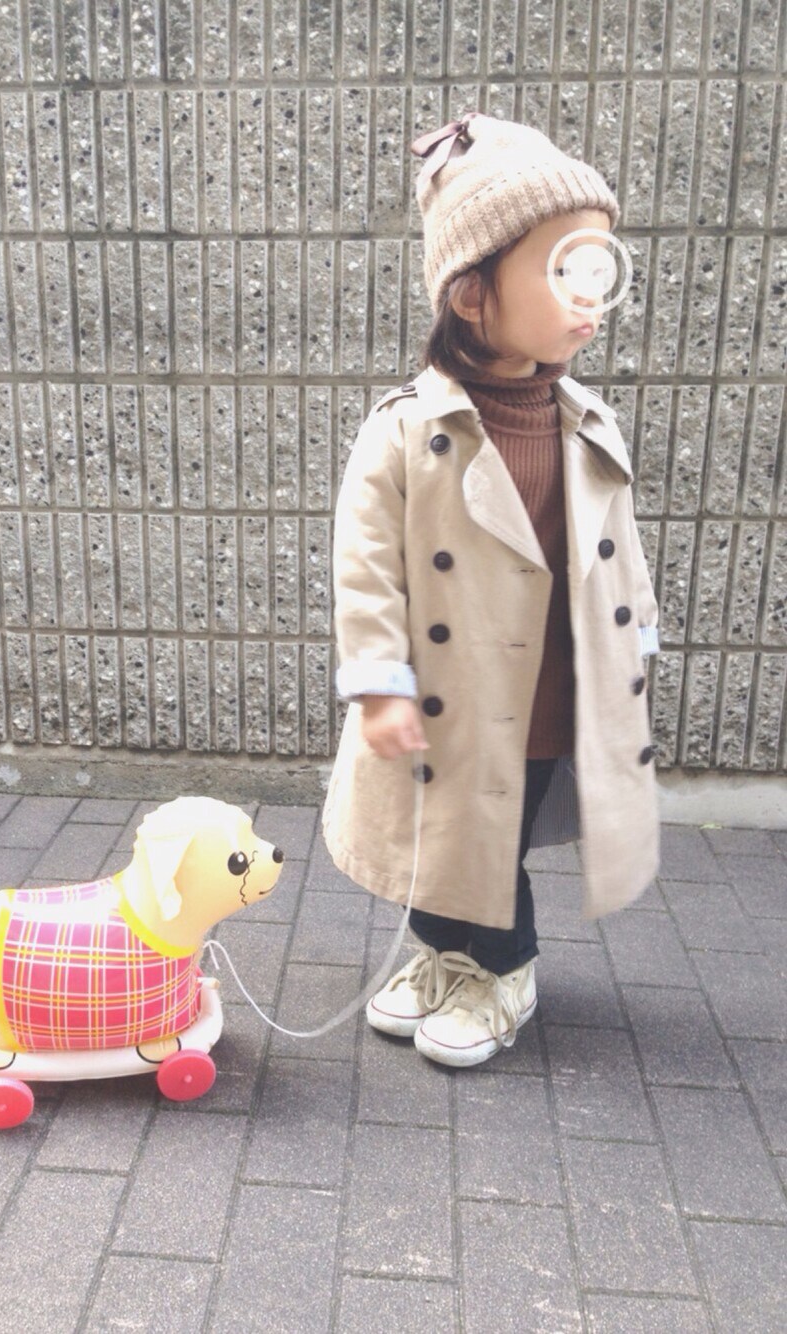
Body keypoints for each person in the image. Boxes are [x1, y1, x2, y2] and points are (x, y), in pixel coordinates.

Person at [321, 112, 660, 1068]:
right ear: (473, 295)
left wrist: (635, 650)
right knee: (439, 835)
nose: (590, 296)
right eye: (563, 269)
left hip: (547, 694)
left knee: (490, 838)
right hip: (443, 691)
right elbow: (365, 567)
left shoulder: (587, 423)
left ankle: (503, 970)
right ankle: (448, 957)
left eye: (598, 268)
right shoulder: (404, 431)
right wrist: (379, 683)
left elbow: (619, 554)